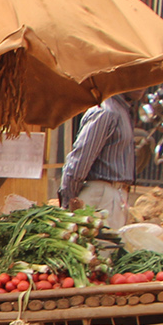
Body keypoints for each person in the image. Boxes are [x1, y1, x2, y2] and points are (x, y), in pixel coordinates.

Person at [59, 89, 140, 228]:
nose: (144, 86)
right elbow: (79, 161)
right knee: (102, 248)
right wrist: (69, 201)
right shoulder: (106, 111)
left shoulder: (122, 110)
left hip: (115, 195)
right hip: (102, 195)